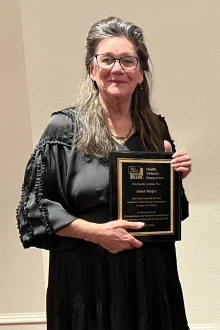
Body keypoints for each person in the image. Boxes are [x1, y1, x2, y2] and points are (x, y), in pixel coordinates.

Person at [17, 16, 191, 330]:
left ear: (141, 73)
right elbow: (37, 208)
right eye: (107, 59)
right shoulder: (64, 128)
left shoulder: (156, 128)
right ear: (92, 69)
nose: (117, 68)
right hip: (86, 279)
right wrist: (98, 234)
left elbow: (167, 213)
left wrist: (174, 175)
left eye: (128, 60)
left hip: (149, 276)